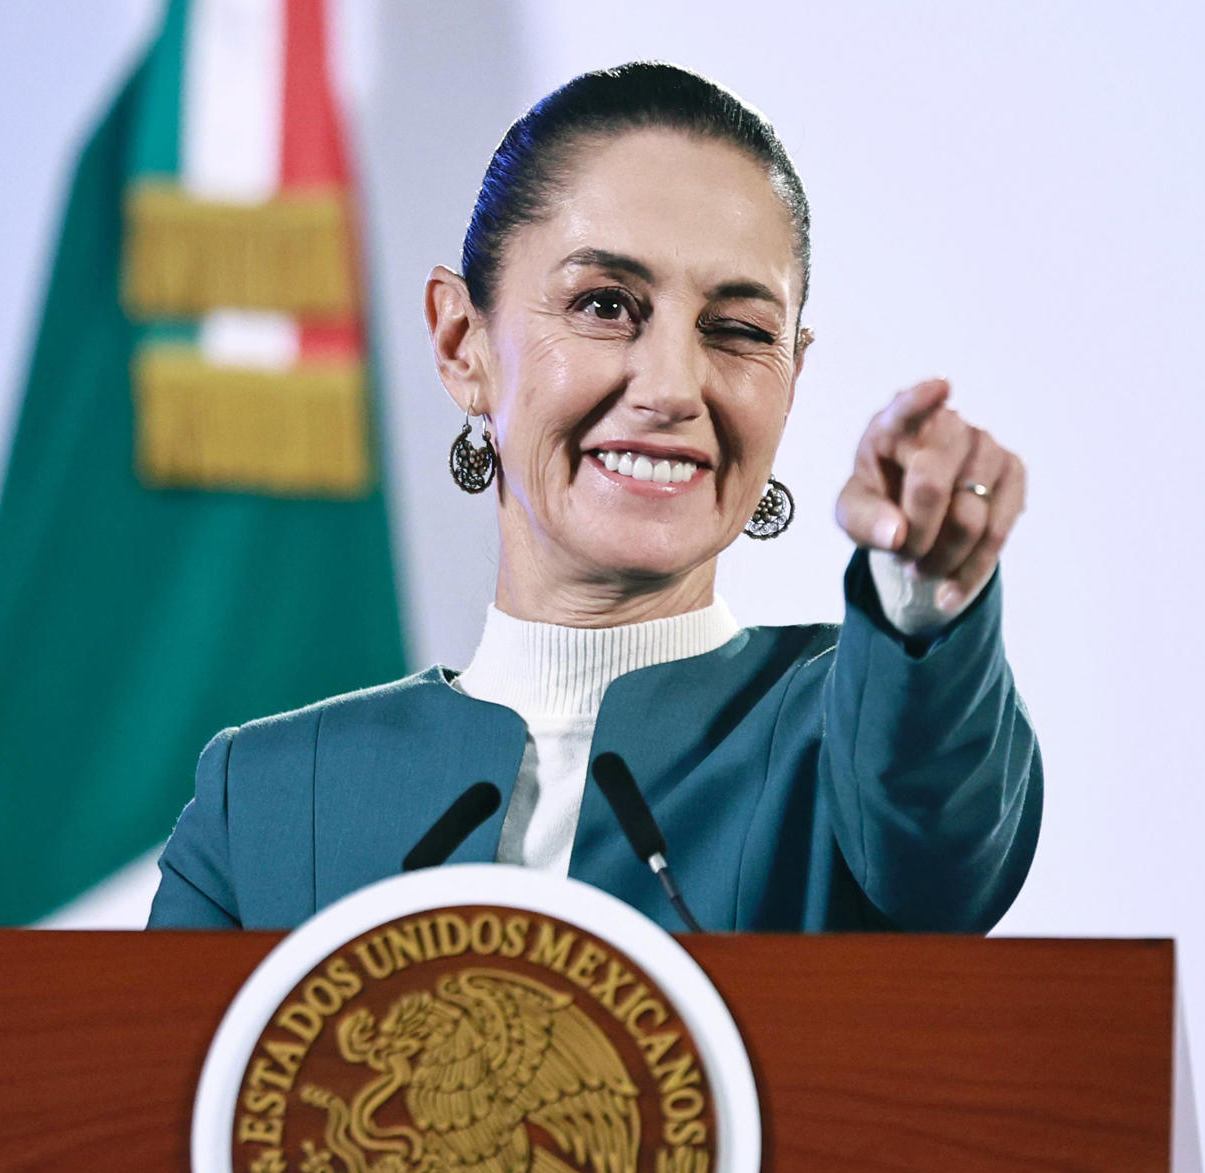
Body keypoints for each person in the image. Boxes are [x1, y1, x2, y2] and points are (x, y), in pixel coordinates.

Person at [147, 62, 1040, 933]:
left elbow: (939, 856)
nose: (673, 388)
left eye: (737, 330)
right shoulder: (266, 802)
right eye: (606, 305)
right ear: (463, 342)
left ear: (792, 376)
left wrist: (925, 592)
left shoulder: (852, 738)